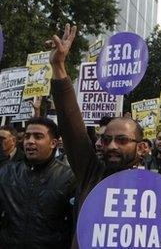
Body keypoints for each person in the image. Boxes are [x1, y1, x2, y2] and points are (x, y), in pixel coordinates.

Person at [48, 24, 148, 248]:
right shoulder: (92, 173)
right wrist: (58, 66)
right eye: (106, 139)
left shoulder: (156, 188)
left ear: (142, 148)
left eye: (122, 140)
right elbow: (71, 124)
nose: (111, 145)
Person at [0, 117, 76, 248]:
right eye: (27, 136)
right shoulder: (7, 173)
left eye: (38, 136)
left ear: (53, 143)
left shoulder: (68, 177)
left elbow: (74, 225)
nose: (30, 141)